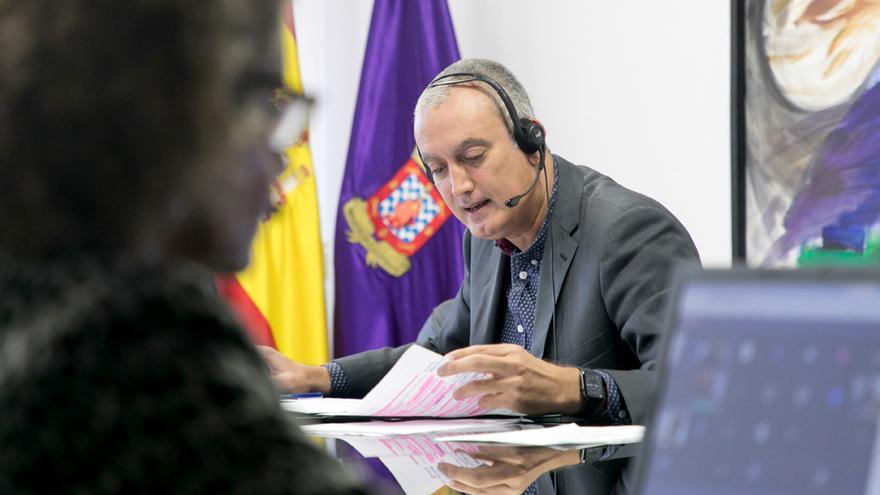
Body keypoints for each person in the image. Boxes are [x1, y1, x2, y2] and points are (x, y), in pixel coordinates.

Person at [0, 1, 366, 493]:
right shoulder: (132, 331)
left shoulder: (35, 292)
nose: (282, 153)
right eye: (265, 103)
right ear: (162, 116)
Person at [261, 58, 699, 427]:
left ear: (533, 141)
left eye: (474, 158)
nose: (460, 187)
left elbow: (701, 387)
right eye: (438, 169)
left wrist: (573, 388)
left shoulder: (628, 230)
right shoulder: (485, 241)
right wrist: (317, 376)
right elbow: (435, 360)